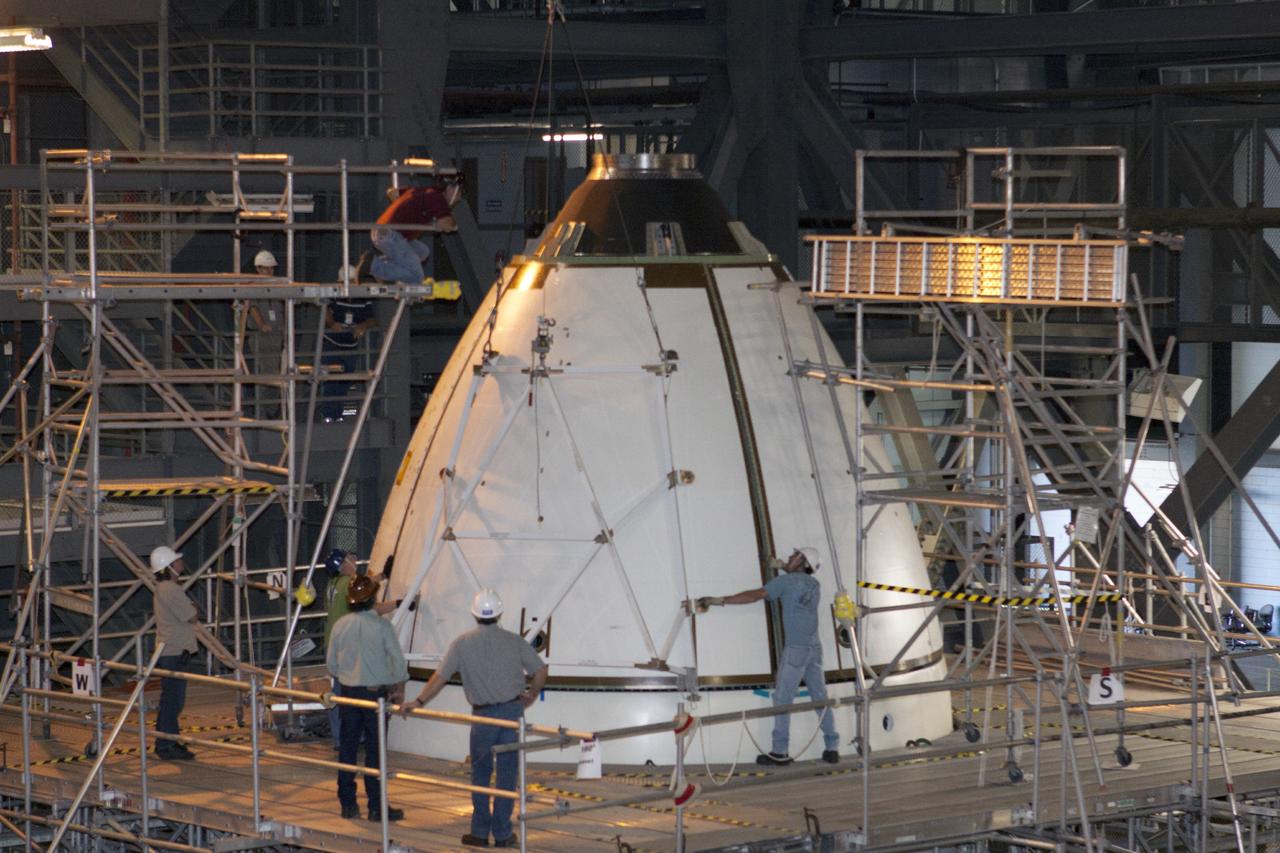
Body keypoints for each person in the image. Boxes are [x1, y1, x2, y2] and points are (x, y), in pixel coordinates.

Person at [401, 588, 547, 849]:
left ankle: (479, 832)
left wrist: (418, 701)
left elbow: (440, 677)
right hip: (512, 714)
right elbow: (541, 669)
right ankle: (502, 834)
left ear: (474, 614)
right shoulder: (514, 641)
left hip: (482, 716)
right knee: (507, 774)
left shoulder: (462, 643)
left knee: (480, 773)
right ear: (499, 613)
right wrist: (532, 694)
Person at [698, 547, 840, 766]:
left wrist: (719, 600)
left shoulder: (786, 582)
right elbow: (796, 576)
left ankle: (779, 751)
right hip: (814, 648)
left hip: (796, 650)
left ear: (803, 563)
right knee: (820, 698)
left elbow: (755, 595)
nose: (790, 557)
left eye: (795, 556)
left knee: (783, 699)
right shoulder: (814, 584)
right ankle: (832, 747)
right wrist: (781, 565)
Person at [326, 574, 408, 822]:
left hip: (348, 695)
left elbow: (331, 665)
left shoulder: (340, 625)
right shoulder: (383, 627)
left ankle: (348, 804)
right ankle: (376, 807)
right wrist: (398, 689)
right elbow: (398, 663)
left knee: (348, 748)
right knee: (375, 751)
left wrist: (347, 676)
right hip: (375, 697)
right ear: (373, 598)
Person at [323, 549, 397, 750]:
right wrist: (396, 600)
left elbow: (364, 584)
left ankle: (341, 738)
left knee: (338, 692)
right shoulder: (348, 583)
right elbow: (366, 588)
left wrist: (381, 576)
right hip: (347, 645)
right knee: (351, 691)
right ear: (342, 565)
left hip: (333, 642)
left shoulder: (332, 585)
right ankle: (349, 738)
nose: (353, 560)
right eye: (349, 558)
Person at [151, 545, 199, 760]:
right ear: (168, 567)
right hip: (174, 652)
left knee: (171, 700)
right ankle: (166, 745)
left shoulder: (163, 588)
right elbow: (191, 615)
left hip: (170, 651)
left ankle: (170, 740)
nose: (181, 563)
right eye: (176, 561)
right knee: (173, 701)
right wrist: (192, 607)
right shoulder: (171, 589)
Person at [370, 179, 462, 285]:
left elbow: (392, 192)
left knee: (422, 251)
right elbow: (446, 224)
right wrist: (454, 225)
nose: (458, 198)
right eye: (459, 193)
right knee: (416, 276)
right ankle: (373, 266)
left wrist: (405, 212)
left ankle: (383, 266)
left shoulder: (420, 191)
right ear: (449, 188)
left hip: (384, 231)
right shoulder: (437, 198)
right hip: (391, 235)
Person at [321, 271, 377, 422]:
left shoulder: (362, 298)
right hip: (332, 344)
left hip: (351, 345)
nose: (350, 284)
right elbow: (325, 310)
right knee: (330, 381)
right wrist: (332, 324)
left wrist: (363, 325)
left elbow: (372, 320)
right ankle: (329, 416)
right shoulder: (335, 294)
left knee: (344, 382)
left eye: (352, 281)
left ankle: (337, 416)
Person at [247, 249, 284, 417]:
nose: (270, 271)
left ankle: (269, 410)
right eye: (266, 268)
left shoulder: (278, 286)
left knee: (274, 372)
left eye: (271, 268)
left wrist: (284, 327)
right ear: (258, 269)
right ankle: (265, 411)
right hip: (261, 337)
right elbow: (253, 308)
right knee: (269, 373)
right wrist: (262, 325)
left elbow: (283, 306)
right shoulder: (253, 287)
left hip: (277, 336)